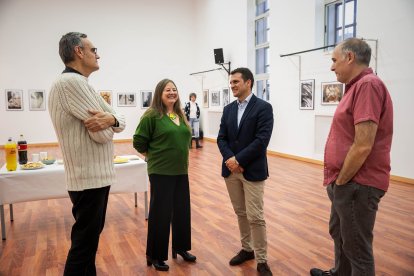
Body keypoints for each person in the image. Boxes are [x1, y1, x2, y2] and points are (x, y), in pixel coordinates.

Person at [310, 38, 393, 276]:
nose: (332, 66)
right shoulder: (357, 87)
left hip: (358, 183)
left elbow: (363, 144)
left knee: (357, 248)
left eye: (334, 60)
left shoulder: (368, 85)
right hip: (347, 182)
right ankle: (340, 273)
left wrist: (343, 180)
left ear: (350, 58)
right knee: (340, 233)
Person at [48, 32, 126, 276]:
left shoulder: (78, 84)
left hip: (90, 177)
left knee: (88, 244)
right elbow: (103, 135)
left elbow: (119, 122)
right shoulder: (72, 83)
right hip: (88, 178)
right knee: (84, 246)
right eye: (94, 50)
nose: (98, 54)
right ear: (79, 52)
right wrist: (111, 123)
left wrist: (111, 119)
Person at [133, 79, 196, 271]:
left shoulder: (179, 113)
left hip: (180, 170)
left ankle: (181, 247)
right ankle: (155, 255)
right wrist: (153, 157)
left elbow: (184, 139)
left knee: (182, 211)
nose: (172, 92)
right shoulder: (152, 115)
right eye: (168, 90)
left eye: (174, 89)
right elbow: (138, 142)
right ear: (159, 93)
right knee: (160, 214)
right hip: (160, 172)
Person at [217, 67, 274, 276]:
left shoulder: (264, 108)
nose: (232, 85)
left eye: (235, 82)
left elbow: (262, 140)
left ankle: (262, 259)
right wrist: (231, 160)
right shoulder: (228, 109)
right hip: (231, 171)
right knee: (241, 213)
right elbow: (221, 137)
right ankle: (247, 249)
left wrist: (238, 159)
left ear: (248, 82)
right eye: (230, 82)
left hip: (252, 170)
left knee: (256, 216)